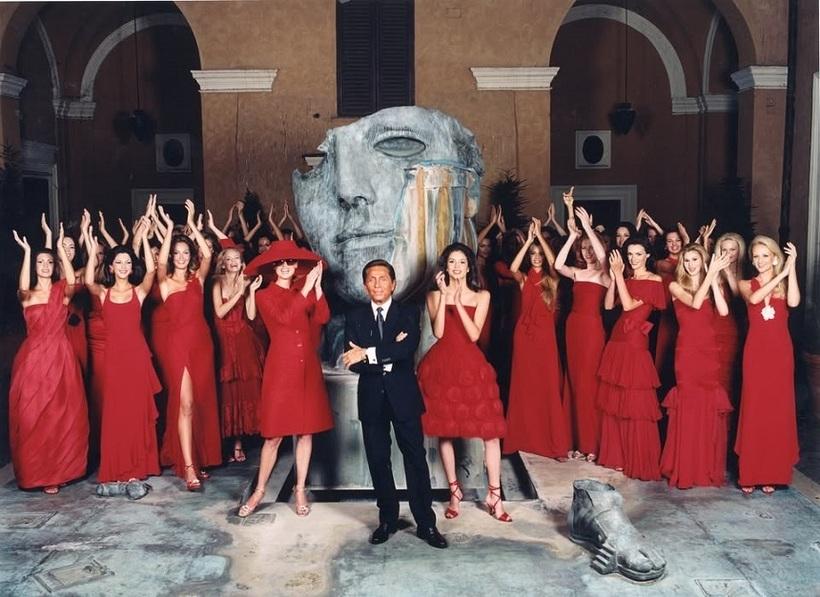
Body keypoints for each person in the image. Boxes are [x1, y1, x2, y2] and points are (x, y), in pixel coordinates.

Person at [341, 259, 447, 548]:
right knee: (378, 460)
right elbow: (352, 362)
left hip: (404, 397)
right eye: (371, 279)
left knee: (415, 459)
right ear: (365, 285)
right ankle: (387, 519)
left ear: (393, 284)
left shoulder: (409, 313)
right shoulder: (355, 316)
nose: (377, 284)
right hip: (371, 399)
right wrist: (385, 353)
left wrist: (368, 353)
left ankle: (426, 523)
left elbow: (406, 349)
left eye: (383, 279)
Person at [238, 240, 333, 518]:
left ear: (296, 265)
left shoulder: (302, 291)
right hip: (281, 368)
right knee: (274, 435)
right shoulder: (264, 296)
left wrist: (316, 288)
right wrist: (305, 290)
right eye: (279, 263)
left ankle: (300, 488)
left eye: (290, 262)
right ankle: (259, 491)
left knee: (306, 431)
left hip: (307, 367)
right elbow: (286, 317)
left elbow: (323, 317)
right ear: (272, 268)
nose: (285, 267)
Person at [418, 243, 511, 523]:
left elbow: (473, 335)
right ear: (445, 267)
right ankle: (454, 492)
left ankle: (494, 495)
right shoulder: (434, 295)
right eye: (451, 262)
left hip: (471, 365)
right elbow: (438, 332)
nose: (456, 267)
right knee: (444, 432)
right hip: (442, 365)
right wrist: (444, 297)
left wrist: (457, 302)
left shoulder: (482, 295)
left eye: (461, 262)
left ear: (469, 266)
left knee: (491, 433)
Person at [82, 220, 160, 490]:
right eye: (119, 262)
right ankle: (116, 467)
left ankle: (137, 467)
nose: (124, 266)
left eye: (128, 262)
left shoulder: (139, 292)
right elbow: (88, 280)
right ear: (111, 267)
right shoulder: (103, 293)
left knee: (136, 412)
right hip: (114, 360)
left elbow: (152, 270)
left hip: (137, 359)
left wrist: (145, 238)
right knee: (116, 413)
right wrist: (91, 244)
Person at [9, 226, 88, 493]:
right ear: (34, 267)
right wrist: (27, 252)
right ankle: (37, 472)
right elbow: (22, 286)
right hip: (32, 360)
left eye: (49, 262)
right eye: (40, 262)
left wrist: (60, 249)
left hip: (60, 357)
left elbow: (72, 279)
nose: (44, 266)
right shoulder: (27, 295)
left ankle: (58, 471)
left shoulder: (61, 291)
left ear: (55, 266)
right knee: (32, 415)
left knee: (60, 415)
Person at [156, 200, 222, 491]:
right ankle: (188, 466)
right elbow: (159, 264)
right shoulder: (165, 282)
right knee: (185, 403)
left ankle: (197, 457)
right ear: (171, 256)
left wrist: (193, 225)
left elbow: (208, 253)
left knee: (200, 402)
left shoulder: (198, 279)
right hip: (177, 347)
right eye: (177, 253)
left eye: (185, 253)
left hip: (202, 344)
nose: (181, 257)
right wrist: (170, 229)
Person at [660, 244, 733, 488]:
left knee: (707, 404)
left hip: (708, 353)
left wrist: (713, 277)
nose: (691, 264)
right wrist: (711, 273)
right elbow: (694, 303)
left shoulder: (711, 283)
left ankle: (704, 466)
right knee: (688, 404)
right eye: (687, 260)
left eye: (695, 260)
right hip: (687, 353)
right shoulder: (674, 285)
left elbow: (723, 311)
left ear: (703, 261)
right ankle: (686, 467)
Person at [735, 237, 800, 495]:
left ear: (774, 258)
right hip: (755, 354)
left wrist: (791, 269)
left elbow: (793, 302)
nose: (760, 261)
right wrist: (780, 274)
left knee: (777, 410)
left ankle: (772, 472)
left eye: (765, 256)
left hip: (780, 354)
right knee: (755, 408)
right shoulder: (745, 284)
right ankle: (750, 472)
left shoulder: (784, 284)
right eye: (756, 256)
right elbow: (755, 300)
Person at [597, 238, 666, 481]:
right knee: (617, 400)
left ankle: (638, 458)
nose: (633, 258)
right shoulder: (627, 279)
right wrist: (615, 278)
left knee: (636, 399)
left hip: (635, 342)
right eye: (630, 254)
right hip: (617, 340)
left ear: (647, 256)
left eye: (638, 254)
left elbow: (627, 306)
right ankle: (618, 457)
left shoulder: (654, 281)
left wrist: (618, 274)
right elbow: (609, 305)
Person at [503, 217, 569, 460]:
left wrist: (540, 237)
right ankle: (523, 439)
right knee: (524, 387)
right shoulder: (524, 279)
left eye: (539, 254)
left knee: (547, 387)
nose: (537, 257)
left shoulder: (552, 280)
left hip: (545, 339)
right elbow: (512, 268)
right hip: (524, 337)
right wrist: (528, 243)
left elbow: (554, 263)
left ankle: (551, 443)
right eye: (533, 254)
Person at [554, 204, 610, 461]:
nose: (588, 253)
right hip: (573, 328)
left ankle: (592, 444)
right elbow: (557, 264)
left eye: (591, 248)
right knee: (575, 384)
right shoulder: (577, 272)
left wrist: (587, 227)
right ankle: (576, 441)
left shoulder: (604, 275)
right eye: (584, 249)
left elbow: (604, 258)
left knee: (588, 386)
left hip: (592, 331)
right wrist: (573, 237)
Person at [212, 245, 263, 464]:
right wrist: (239, 292)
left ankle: (238, 444)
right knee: (225, 392)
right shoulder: (216, 282)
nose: (233, 262)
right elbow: (220, 312)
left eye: (237, 258)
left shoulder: (246, 281)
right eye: (229, 259)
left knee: (242, 392)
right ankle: (224, 444)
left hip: (242, 340)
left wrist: (251, 291)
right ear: (223, 263)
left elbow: (250, 315)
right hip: (223, 340)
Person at [714, 232, 747, 396]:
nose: (728, 254)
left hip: (736, 328)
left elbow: (739, 298)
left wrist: (728, 273)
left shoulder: (746, 272)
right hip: (715, 326)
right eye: (724, 250)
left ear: (739, 251)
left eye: (732, 250)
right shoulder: (713, 272)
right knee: (716, 370)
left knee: (733, 370)